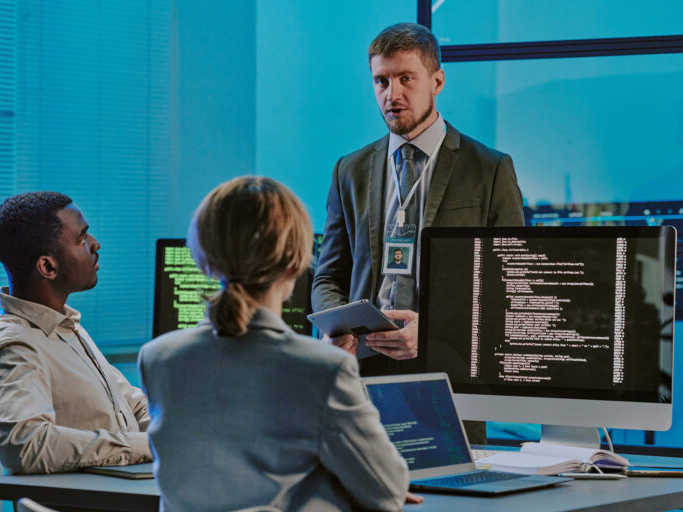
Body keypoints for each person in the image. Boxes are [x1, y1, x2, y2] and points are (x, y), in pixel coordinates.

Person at [138, 177, 415, 511]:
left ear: (205, 258)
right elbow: (387, 492)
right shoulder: (323, 368)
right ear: (296, 263)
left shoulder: (157, 357)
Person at [312, 22, 524, 376]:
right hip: (362, 369)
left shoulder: (489, 169)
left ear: (437, 82)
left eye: (406, 78)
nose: (391, 94)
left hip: (450, 366)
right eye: (381, 81)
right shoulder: (349, 170)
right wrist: (334, 327)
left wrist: (432, 334)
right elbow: (328, 277)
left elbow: (509, 283)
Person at [0, 191, 151, 474]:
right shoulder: (17, 347)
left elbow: (129, 404)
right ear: (47, 266)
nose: (95, 245)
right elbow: (23, 443)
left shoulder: (65, 327)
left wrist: (178, 435)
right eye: (82, 239)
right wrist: (144, 447)